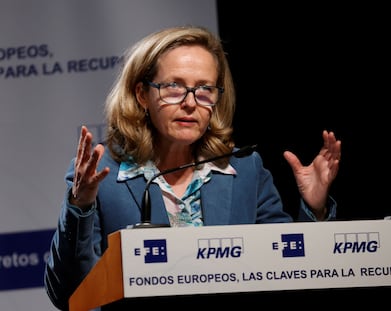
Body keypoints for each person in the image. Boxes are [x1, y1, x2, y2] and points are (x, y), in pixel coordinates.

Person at [44, 25, 341, 310]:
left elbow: (290, 271)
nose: (190, 103)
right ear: (142, 95)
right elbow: (69, 294)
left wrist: (313, 211)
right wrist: (80, 206)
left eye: (204, 89)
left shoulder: (244, 169)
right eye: (174, 87)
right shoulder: (101, 177)